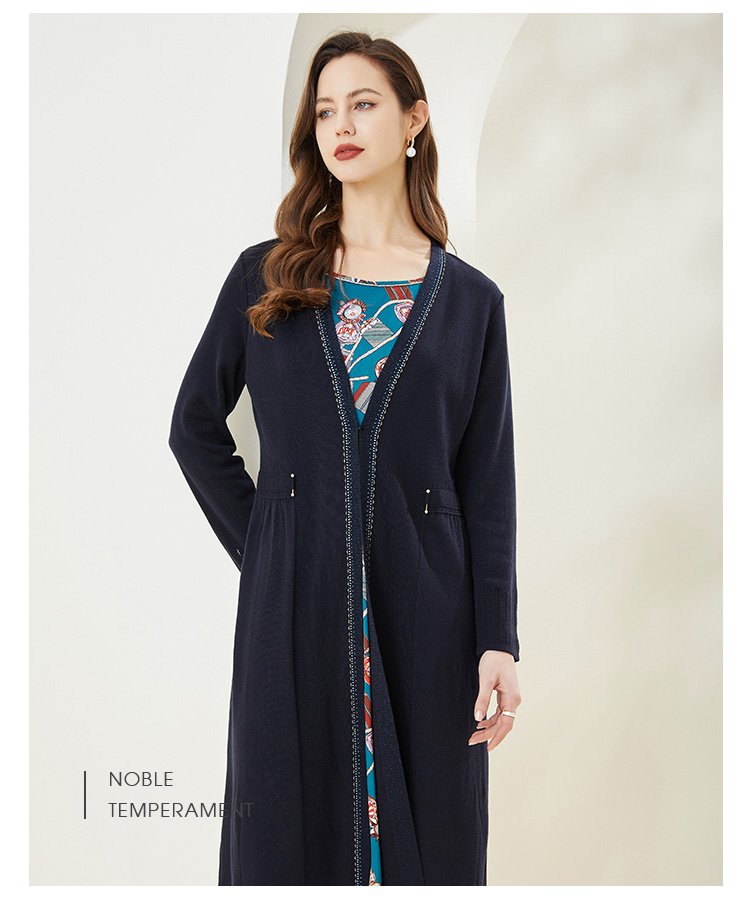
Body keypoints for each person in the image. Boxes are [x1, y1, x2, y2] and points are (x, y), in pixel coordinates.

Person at [169, 29, 521, 887]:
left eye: (363, 104)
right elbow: (194, 428)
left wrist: (498, 640)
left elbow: (487, 485)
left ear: (414, 121)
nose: (342, 126)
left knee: (432, 838)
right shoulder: (265, 277)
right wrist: (273, 545)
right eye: (325, 111)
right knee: (287, 834)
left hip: (429, 610)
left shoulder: (472, 303)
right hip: (292, 612)